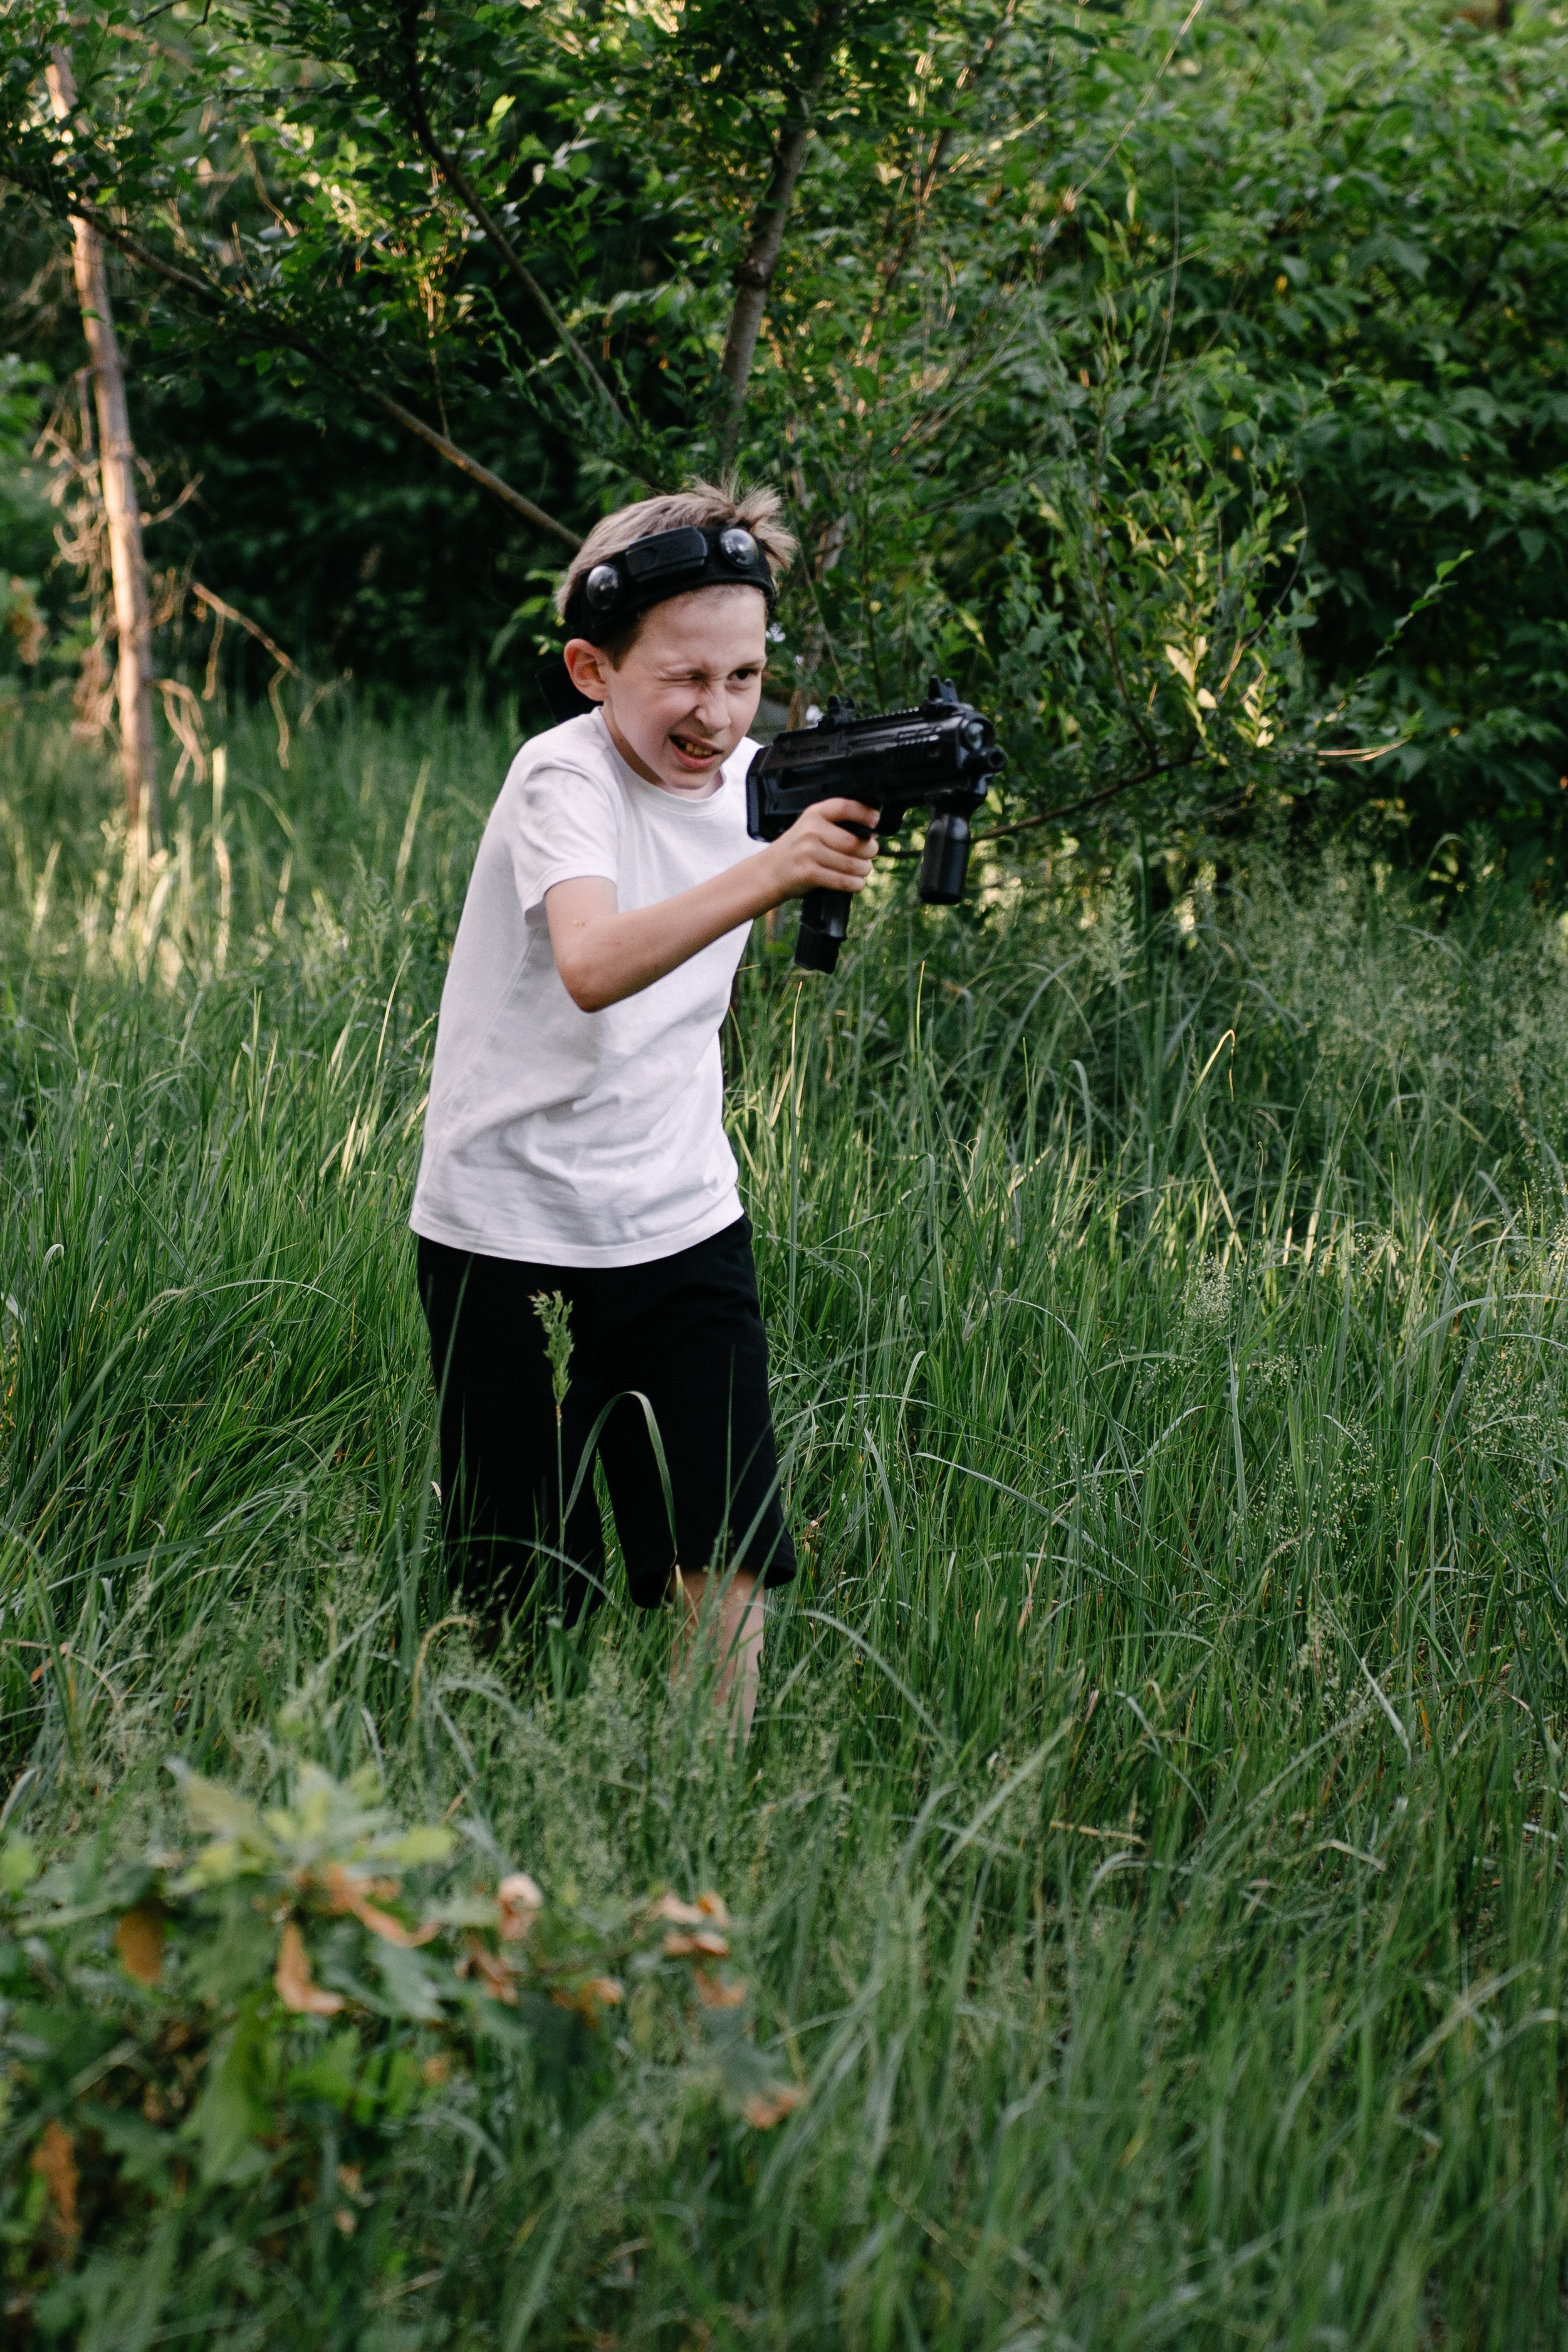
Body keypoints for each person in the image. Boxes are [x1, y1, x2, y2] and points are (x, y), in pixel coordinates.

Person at [410, 481, 879, 1738]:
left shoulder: (755, 778)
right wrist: (773, 869)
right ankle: (509, 1780)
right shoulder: (559, 778)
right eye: (683, 679)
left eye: (745, 677)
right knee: (520, 1573)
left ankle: (705, 1794)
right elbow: (592, 958)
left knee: (726, 1542)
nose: (717, 714)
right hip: (506, 1223)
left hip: (678, 1209)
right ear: (592, 668)